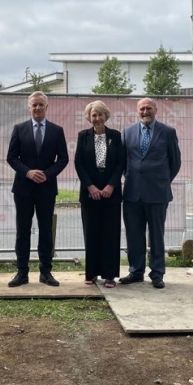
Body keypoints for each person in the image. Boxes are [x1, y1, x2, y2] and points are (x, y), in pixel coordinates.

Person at [7, 91, 69, 287]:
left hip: (46, 188)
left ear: (47, 107)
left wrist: (47, 174)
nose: (38, 108)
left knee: (45, 231)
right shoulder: (19, 129)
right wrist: (28, 172)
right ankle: (22, 273)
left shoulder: (57, 131)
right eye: (34, 105)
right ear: (29, 107)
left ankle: (46, 272)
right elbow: (12, 157)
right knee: (22, 231)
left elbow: (64, 158)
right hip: (23, 188)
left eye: (41, 105)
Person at [121, 97, 181, 289]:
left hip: (157, 193)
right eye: (142, 109)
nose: (145, 112)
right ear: (137, 111)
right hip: (132, 192)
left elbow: (175, 162)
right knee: (133, 234)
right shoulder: (127, 132)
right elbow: (123, 161)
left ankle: (157, 273)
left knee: (156, 234)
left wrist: (162, 181)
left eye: (148, 108)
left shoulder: (168, 132)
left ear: (156, 110)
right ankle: (135, 272)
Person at [74, 100, 124, 289]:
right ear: (89, 117)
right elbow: (79, 163)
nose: (97, 118)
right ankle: (92, 273)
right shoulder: (82, 136)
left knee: (110, 234)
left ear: (106, 116)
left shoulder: (116, 136)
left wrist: (111, 186)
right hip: (90, 193)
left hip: (111, 193)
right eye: (93, 115)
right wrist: (91, 187)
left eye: (100, 114)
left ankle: (110, 275)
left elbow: (120, 162)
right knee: (91, 232)